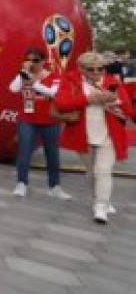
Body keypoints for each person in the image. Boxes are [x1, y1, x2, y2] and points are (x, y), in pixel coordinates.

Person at [55, 51, 133, 224]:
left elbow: (128, 110)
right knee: (92, 172)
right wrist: (88, 99)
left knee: (103, 171)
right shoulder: (70, 81)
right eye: (92, 69)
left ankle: (101, 206)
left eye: (101, 69)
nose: (97, 73)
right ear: (81, 69)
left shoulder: (113, 82)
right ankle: (98, 198)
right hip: (84, 134)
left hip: (110, 134)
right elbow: (61, 104)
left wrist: (116, 101)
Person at [8, 48, 70, 200]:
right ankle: (21, 184)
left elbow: (52, 93)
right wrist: (24, 73)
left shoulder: (54, 75)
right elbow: (13, 88)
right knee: (24, 151)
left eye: (35, 60)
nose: (32, 63)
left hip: (50, 120)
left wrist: (33, 83)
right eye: (28, 59)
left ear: (43, 61)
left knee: (52, 153)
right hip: (27, 119)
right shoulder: (24, 74)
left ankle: (54, 186)